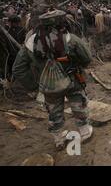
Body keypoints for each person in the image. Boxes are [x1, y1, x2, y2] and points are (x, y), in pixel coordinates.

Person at [12, 10, 93, 149]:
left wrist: (33, 86)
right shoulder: (71, 39)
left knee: (53, 110)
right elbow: (87, 59)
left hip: (48, 85)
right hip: (73, 80)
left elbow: (18, 68)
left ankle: (59, 139)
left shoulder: (31, 43)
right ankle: (84, 132)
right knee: (78, 103)